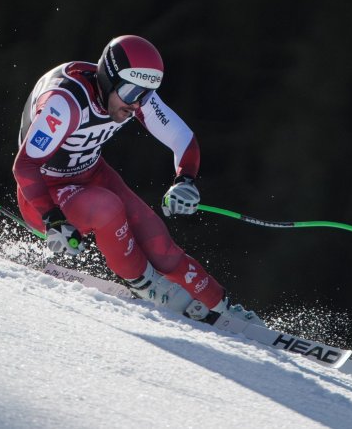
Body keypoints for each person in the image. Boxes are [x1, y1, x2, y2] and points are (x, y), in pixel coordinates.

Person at [13, 35, 261, 325]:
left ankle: (224, 308)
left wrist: (186, 180)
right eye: (132, 93)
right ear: (107, 79)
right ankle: (149, 287)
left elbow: (183, 139)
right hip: (43, 192)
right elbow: (25, 167)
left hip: (92, 173)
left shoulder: (133, 92)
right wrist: (53, 218)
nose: (137, 104)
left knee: (159, 243)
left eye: (147, 93)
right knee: (107, 207)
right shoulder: (65, 102)